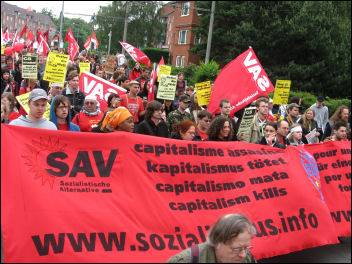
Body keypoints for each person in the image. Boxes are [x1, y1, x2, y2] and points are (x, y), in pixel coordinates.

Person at [167, 213, 257, 263]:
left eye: (246, 248)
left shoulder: (248, 259)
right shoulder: (186, 261)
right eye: (236, 249)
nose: (243, 255)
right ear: (217, 242)